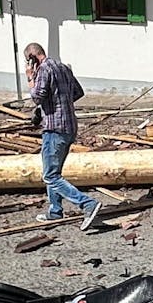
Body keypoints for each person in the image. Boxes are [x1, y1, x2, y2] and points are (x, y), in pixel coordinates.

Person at [25, 43, 103, 230]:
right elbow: (78, 92)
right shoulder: (62, 67)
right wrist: (60, 103)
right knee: (55, 172)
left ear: (32, 58)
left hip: (54, 128)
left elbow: (37, 97)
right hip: (69, 126)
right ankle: (55, 211)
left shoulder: (43, 70)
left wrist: (30, 78)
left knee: (50, 176)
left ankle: (88, 204)